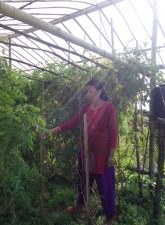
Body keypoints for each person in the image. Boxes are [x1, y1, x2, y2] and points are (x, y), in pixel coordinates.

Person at [51, 78, 118, 225]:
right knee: (83, 181)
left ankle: (109, 217)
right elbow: (73, 121)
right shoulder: (86, 109)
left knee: (105, 186)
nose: (88, 94)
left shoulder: (109, 108)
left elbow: (113, 133)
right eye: (87, 91)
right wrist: (58, 129)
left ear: (99, 91)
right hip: (86, 152)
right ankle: (80, 206)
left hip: (102, 155)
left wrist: (111, 155)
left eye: (91, 91)